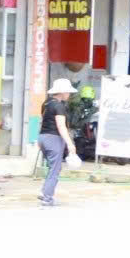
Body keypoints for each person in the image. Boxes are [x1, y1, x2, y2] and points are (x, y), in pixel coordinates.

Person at [38, 77, 81, 206]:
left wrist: (38, 139)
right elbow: (61, 126)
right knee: (55, 169)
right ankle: (47, 198)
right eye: (67, 92)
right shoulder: (59, 106)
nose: (69, 94)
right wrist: (70, 144)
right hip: (53, 139)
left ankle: (44, 192)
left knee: (52, 167)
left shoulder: (46, 103)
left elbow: (43, 121)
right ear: (61, 92)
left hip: (43, 137)